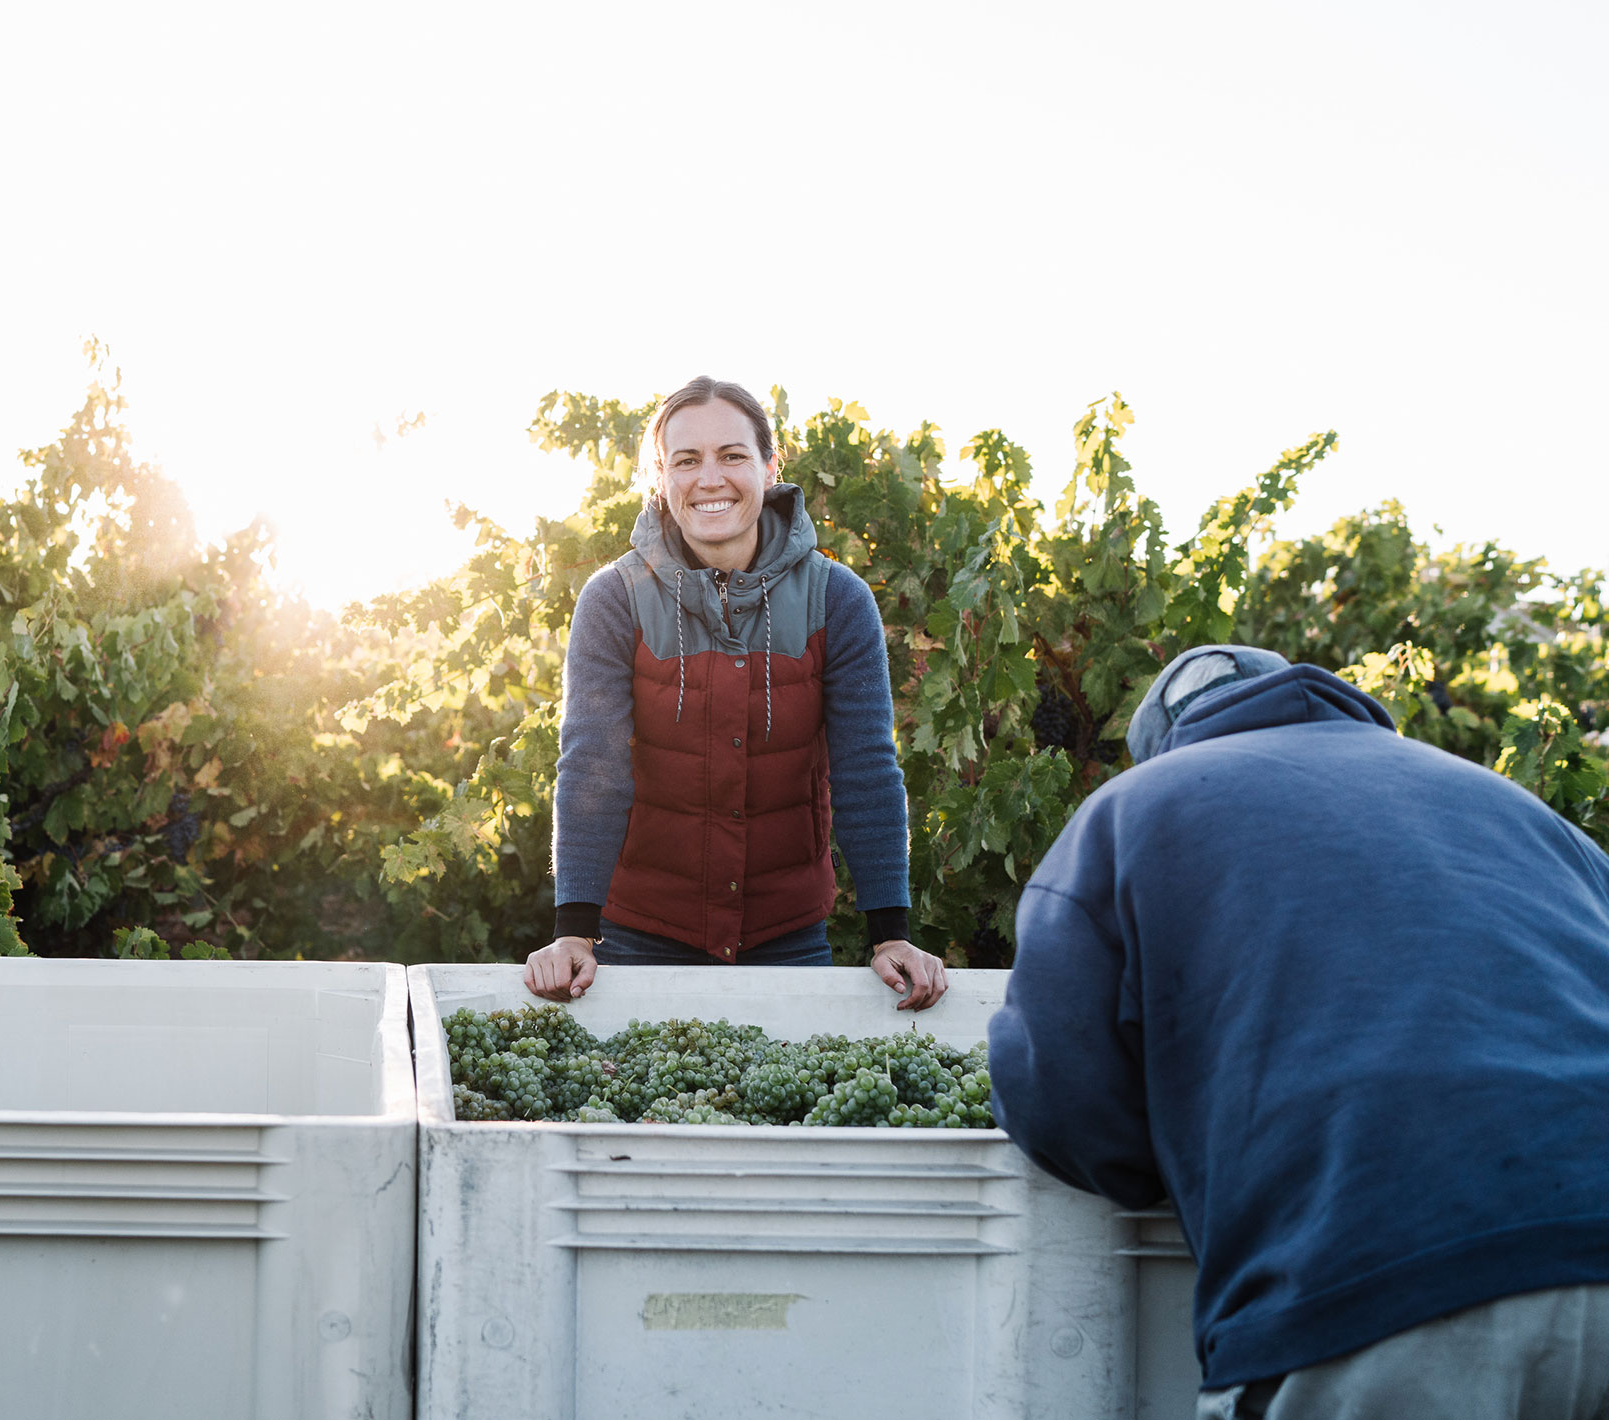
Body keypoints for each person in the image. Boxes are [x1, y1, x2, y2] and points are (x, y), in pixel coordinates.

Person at [988, 645, 1609, 1418]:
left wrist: (1191, 1161)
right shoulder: (1525, 813)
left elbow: (1059, 1096)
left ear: (1163, 742)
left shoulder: (1136, 808)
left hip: (1383, 1285)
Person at [524, 375, 947, 1008]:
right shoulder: (615, 600)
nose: (710, 478)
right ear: (661, 479)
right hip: (641, 939)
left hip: (789, 940)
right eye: (687, 460)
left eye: (733, 455)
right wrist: (574, 934)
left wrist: (891, 936)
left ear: (770, 467)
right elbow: (592, 766)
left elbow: (866, 769)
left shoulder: (839, 600)